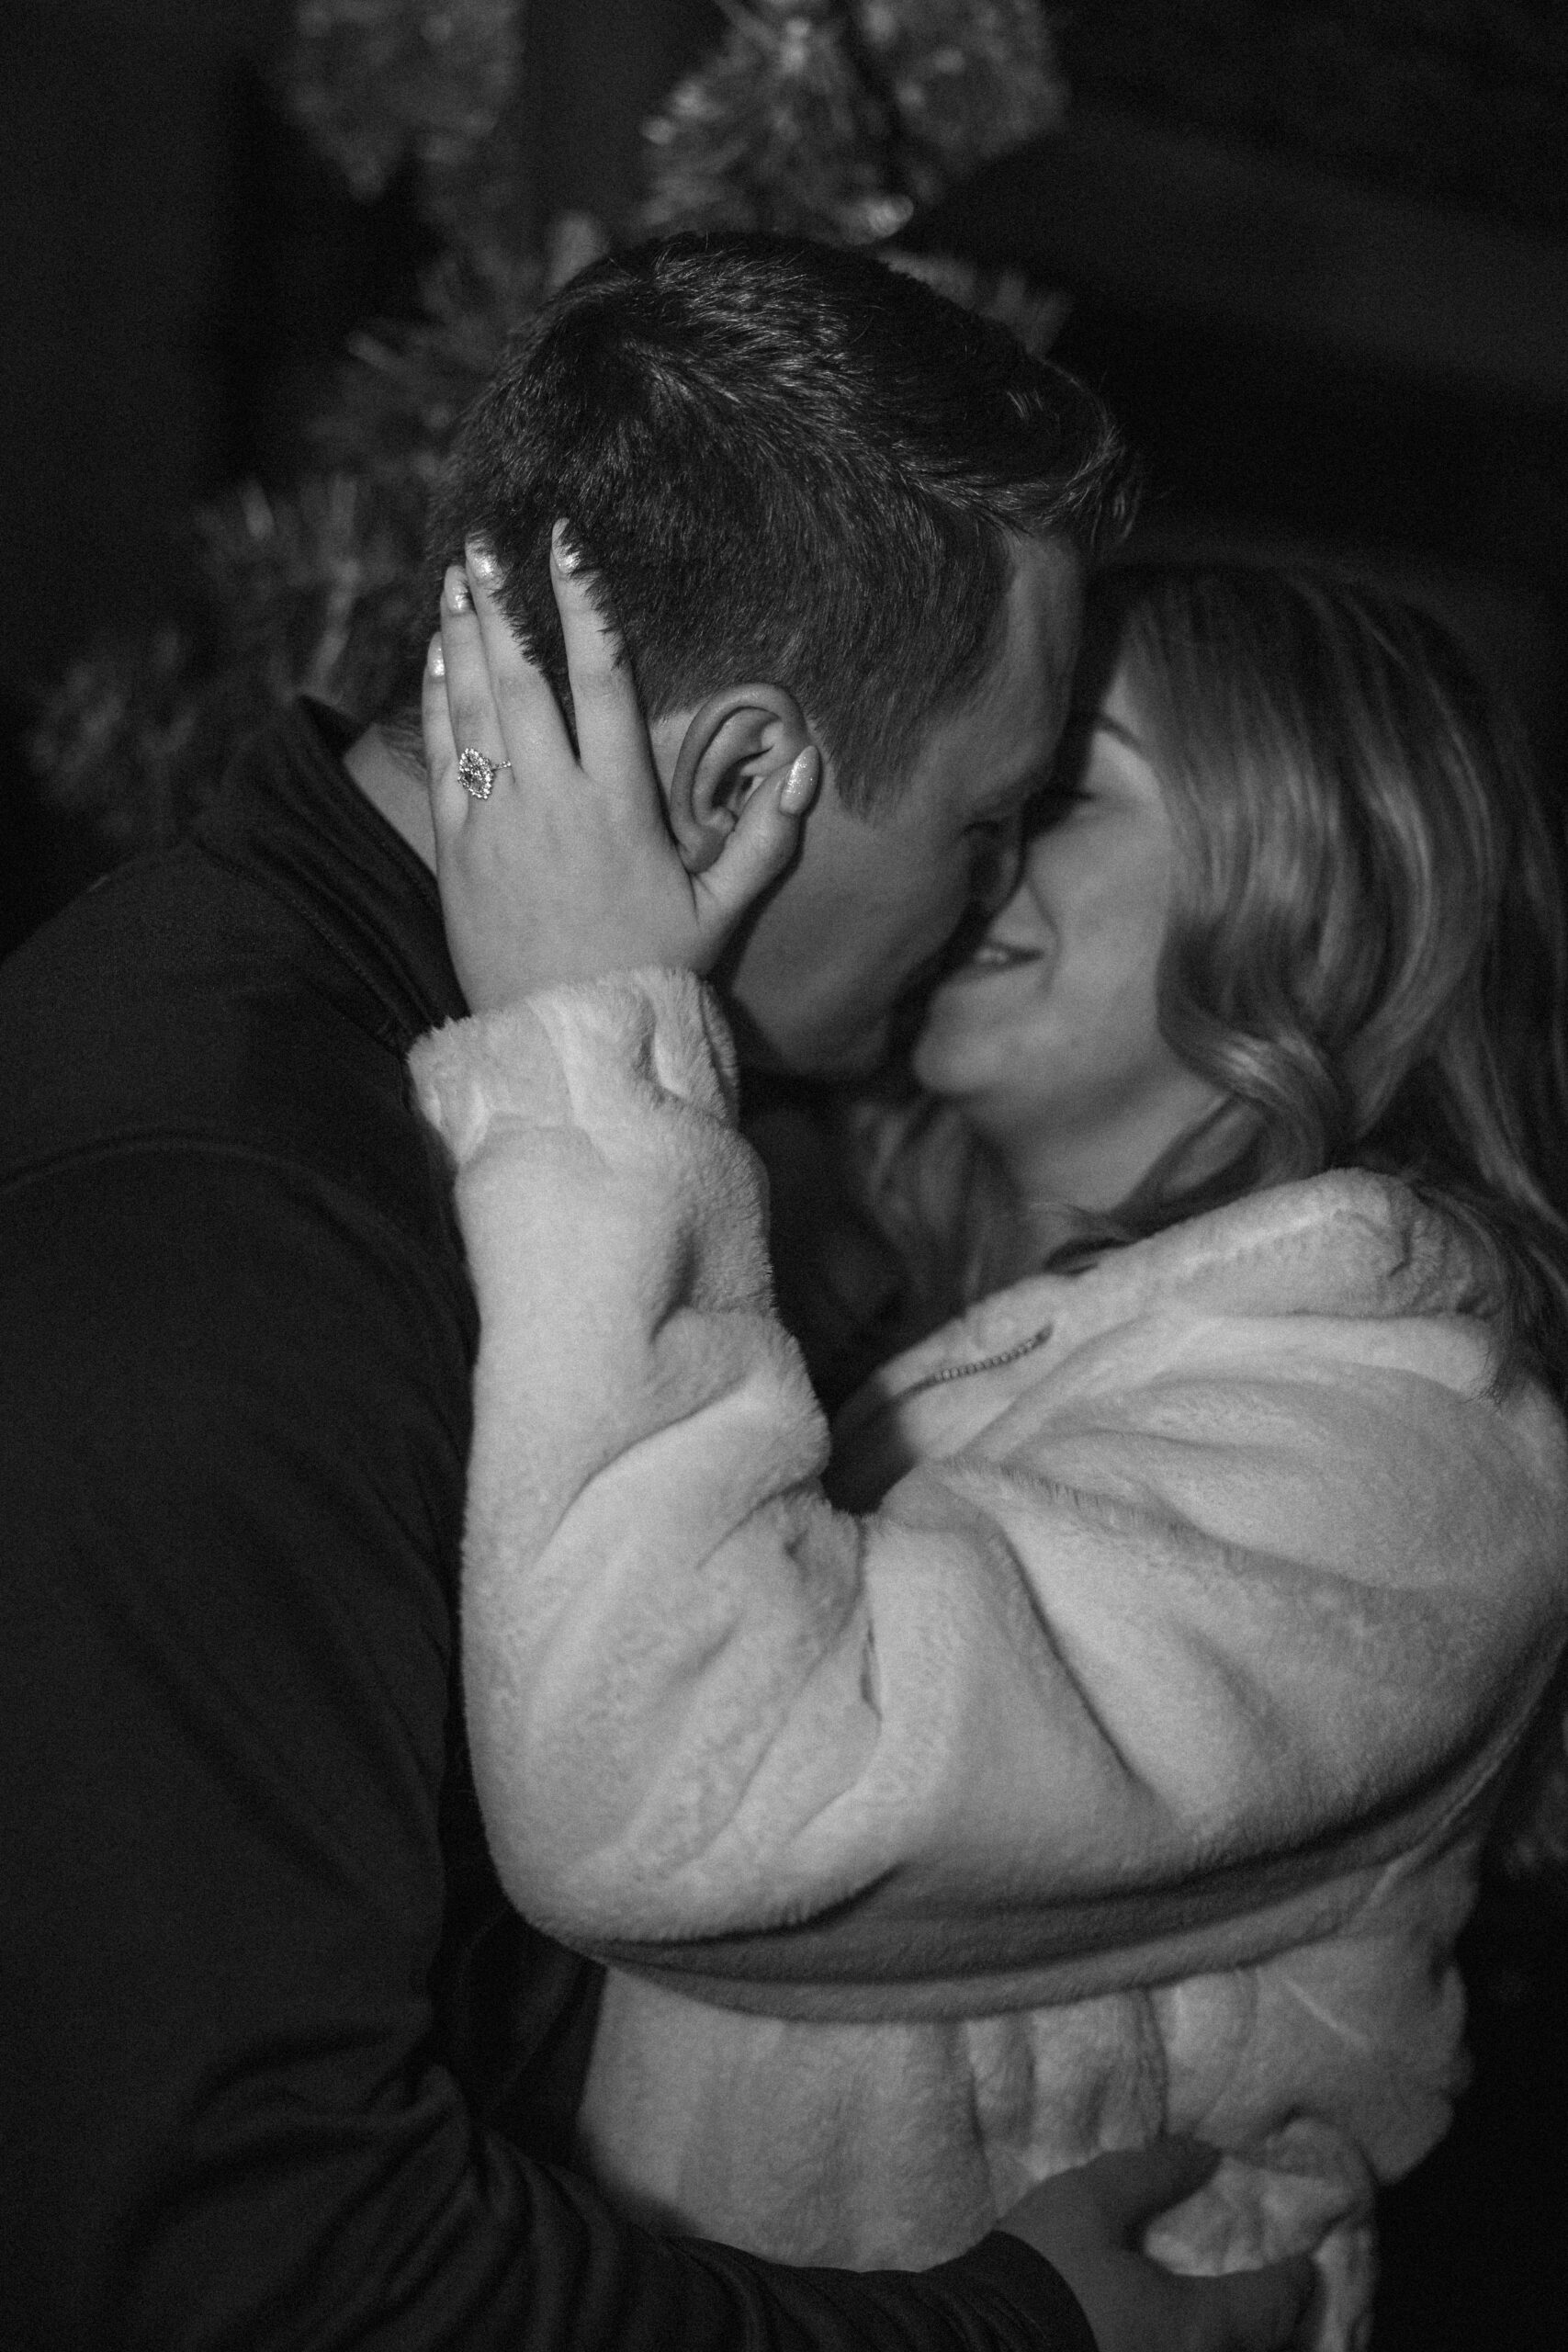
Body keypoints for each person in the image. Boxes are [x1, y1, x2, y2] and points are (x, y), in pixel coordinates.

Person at [0, 235, 1314, 2352]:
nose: (992, 904)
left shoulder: (403, 1085)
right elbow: (256, 2274)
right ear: (729, 788)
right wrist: (1005, 2335)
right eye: (984, 824)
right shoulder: (223, 1226)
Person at [410, 548, 1568, 2352]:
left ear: (1313, 876)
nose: (961, 842)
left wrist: (583, 1053)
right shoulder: (902, 1301)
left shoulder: (1416, 1450)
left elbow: (686, 1793)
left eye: (1052, 794)